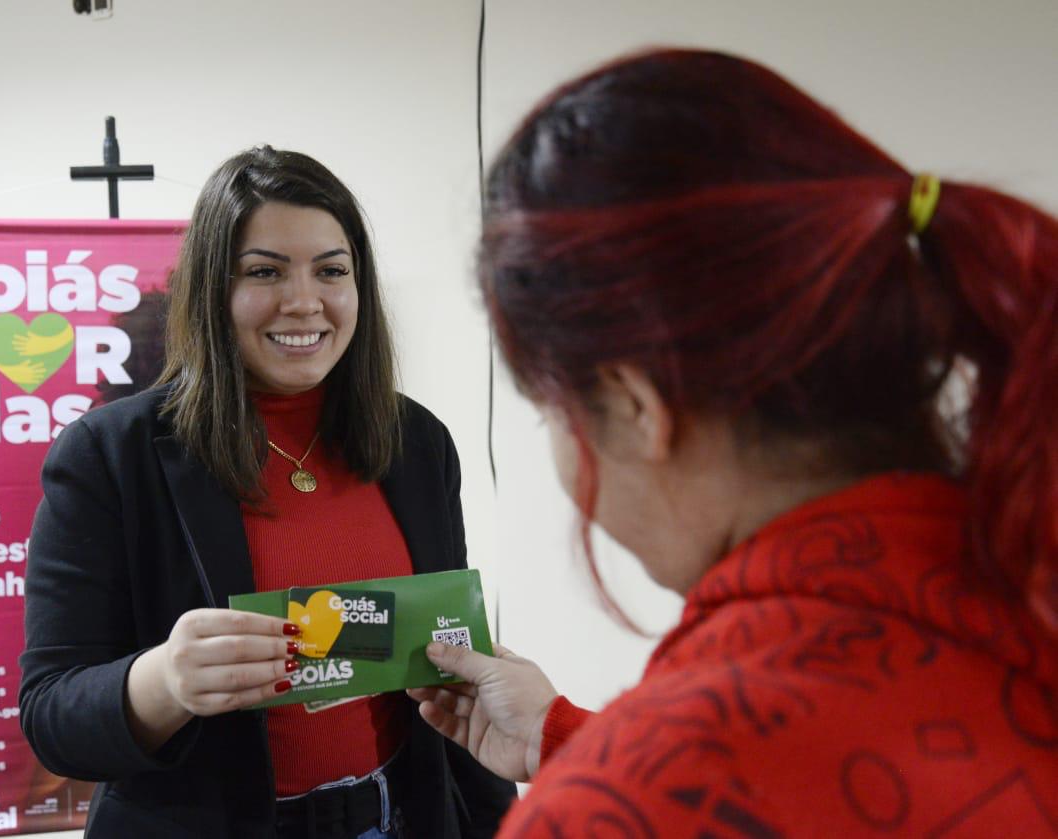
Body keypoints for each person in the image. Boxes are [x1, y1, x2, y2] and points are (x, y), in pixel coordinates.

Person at [407, 49, 1058, 836]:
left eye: (550, 412)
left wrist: (601, 775)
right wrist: (568, 739)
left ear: (633, 403)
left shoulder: (613, 806)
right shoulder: (1025, 580)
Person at [19, 146, 516, 838]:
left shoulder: (416, 443)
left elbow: (447, 664)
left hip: (398, 815)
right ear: (211, 289)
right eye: (264, 272)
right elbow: (51, 715)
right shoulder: (110, 456)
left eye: (332, 270)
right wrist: (163, 682)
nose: (305, 301)